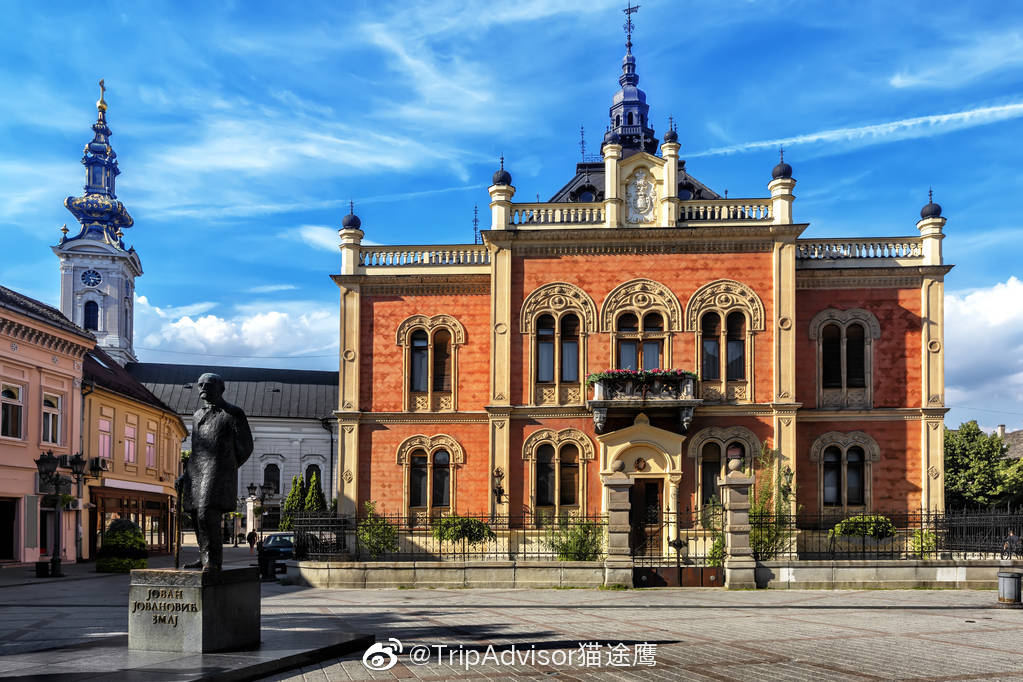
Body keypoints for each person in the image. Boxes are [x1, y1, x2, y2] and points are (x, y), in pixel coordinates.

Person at [176, 373, 253, 572]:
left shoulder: (233, 413)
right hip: (196, 470)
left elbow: (246, 446)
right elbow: (195, 449)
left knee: (206, 513)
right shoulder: (197, 415)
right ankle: (204, 557)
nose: (202, 387)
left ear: (220, 388)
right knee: (195, 514)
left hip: (217, 471)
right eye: (200, 384)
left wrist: (228, 467)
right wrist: (185, 475)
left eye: (207, 384)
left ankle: (213, 561)